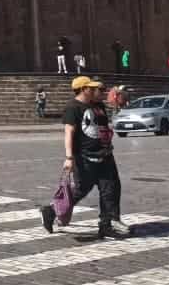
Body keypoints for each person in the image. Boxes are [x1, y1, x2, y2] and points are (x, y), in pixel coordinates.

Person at [41, 76, 130, 239]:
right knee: (81, 189)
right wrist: (69, 157)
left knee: (110, 189)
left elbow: (103, 126)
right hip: (84, 157)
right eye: (92, 88)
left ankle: (106, 225)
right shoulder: (73, 107)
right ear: (83, 90)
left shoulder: (98, 105)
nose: (96, 90)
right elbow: (69, 132)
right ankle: (51, 211)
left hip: (105, 155)